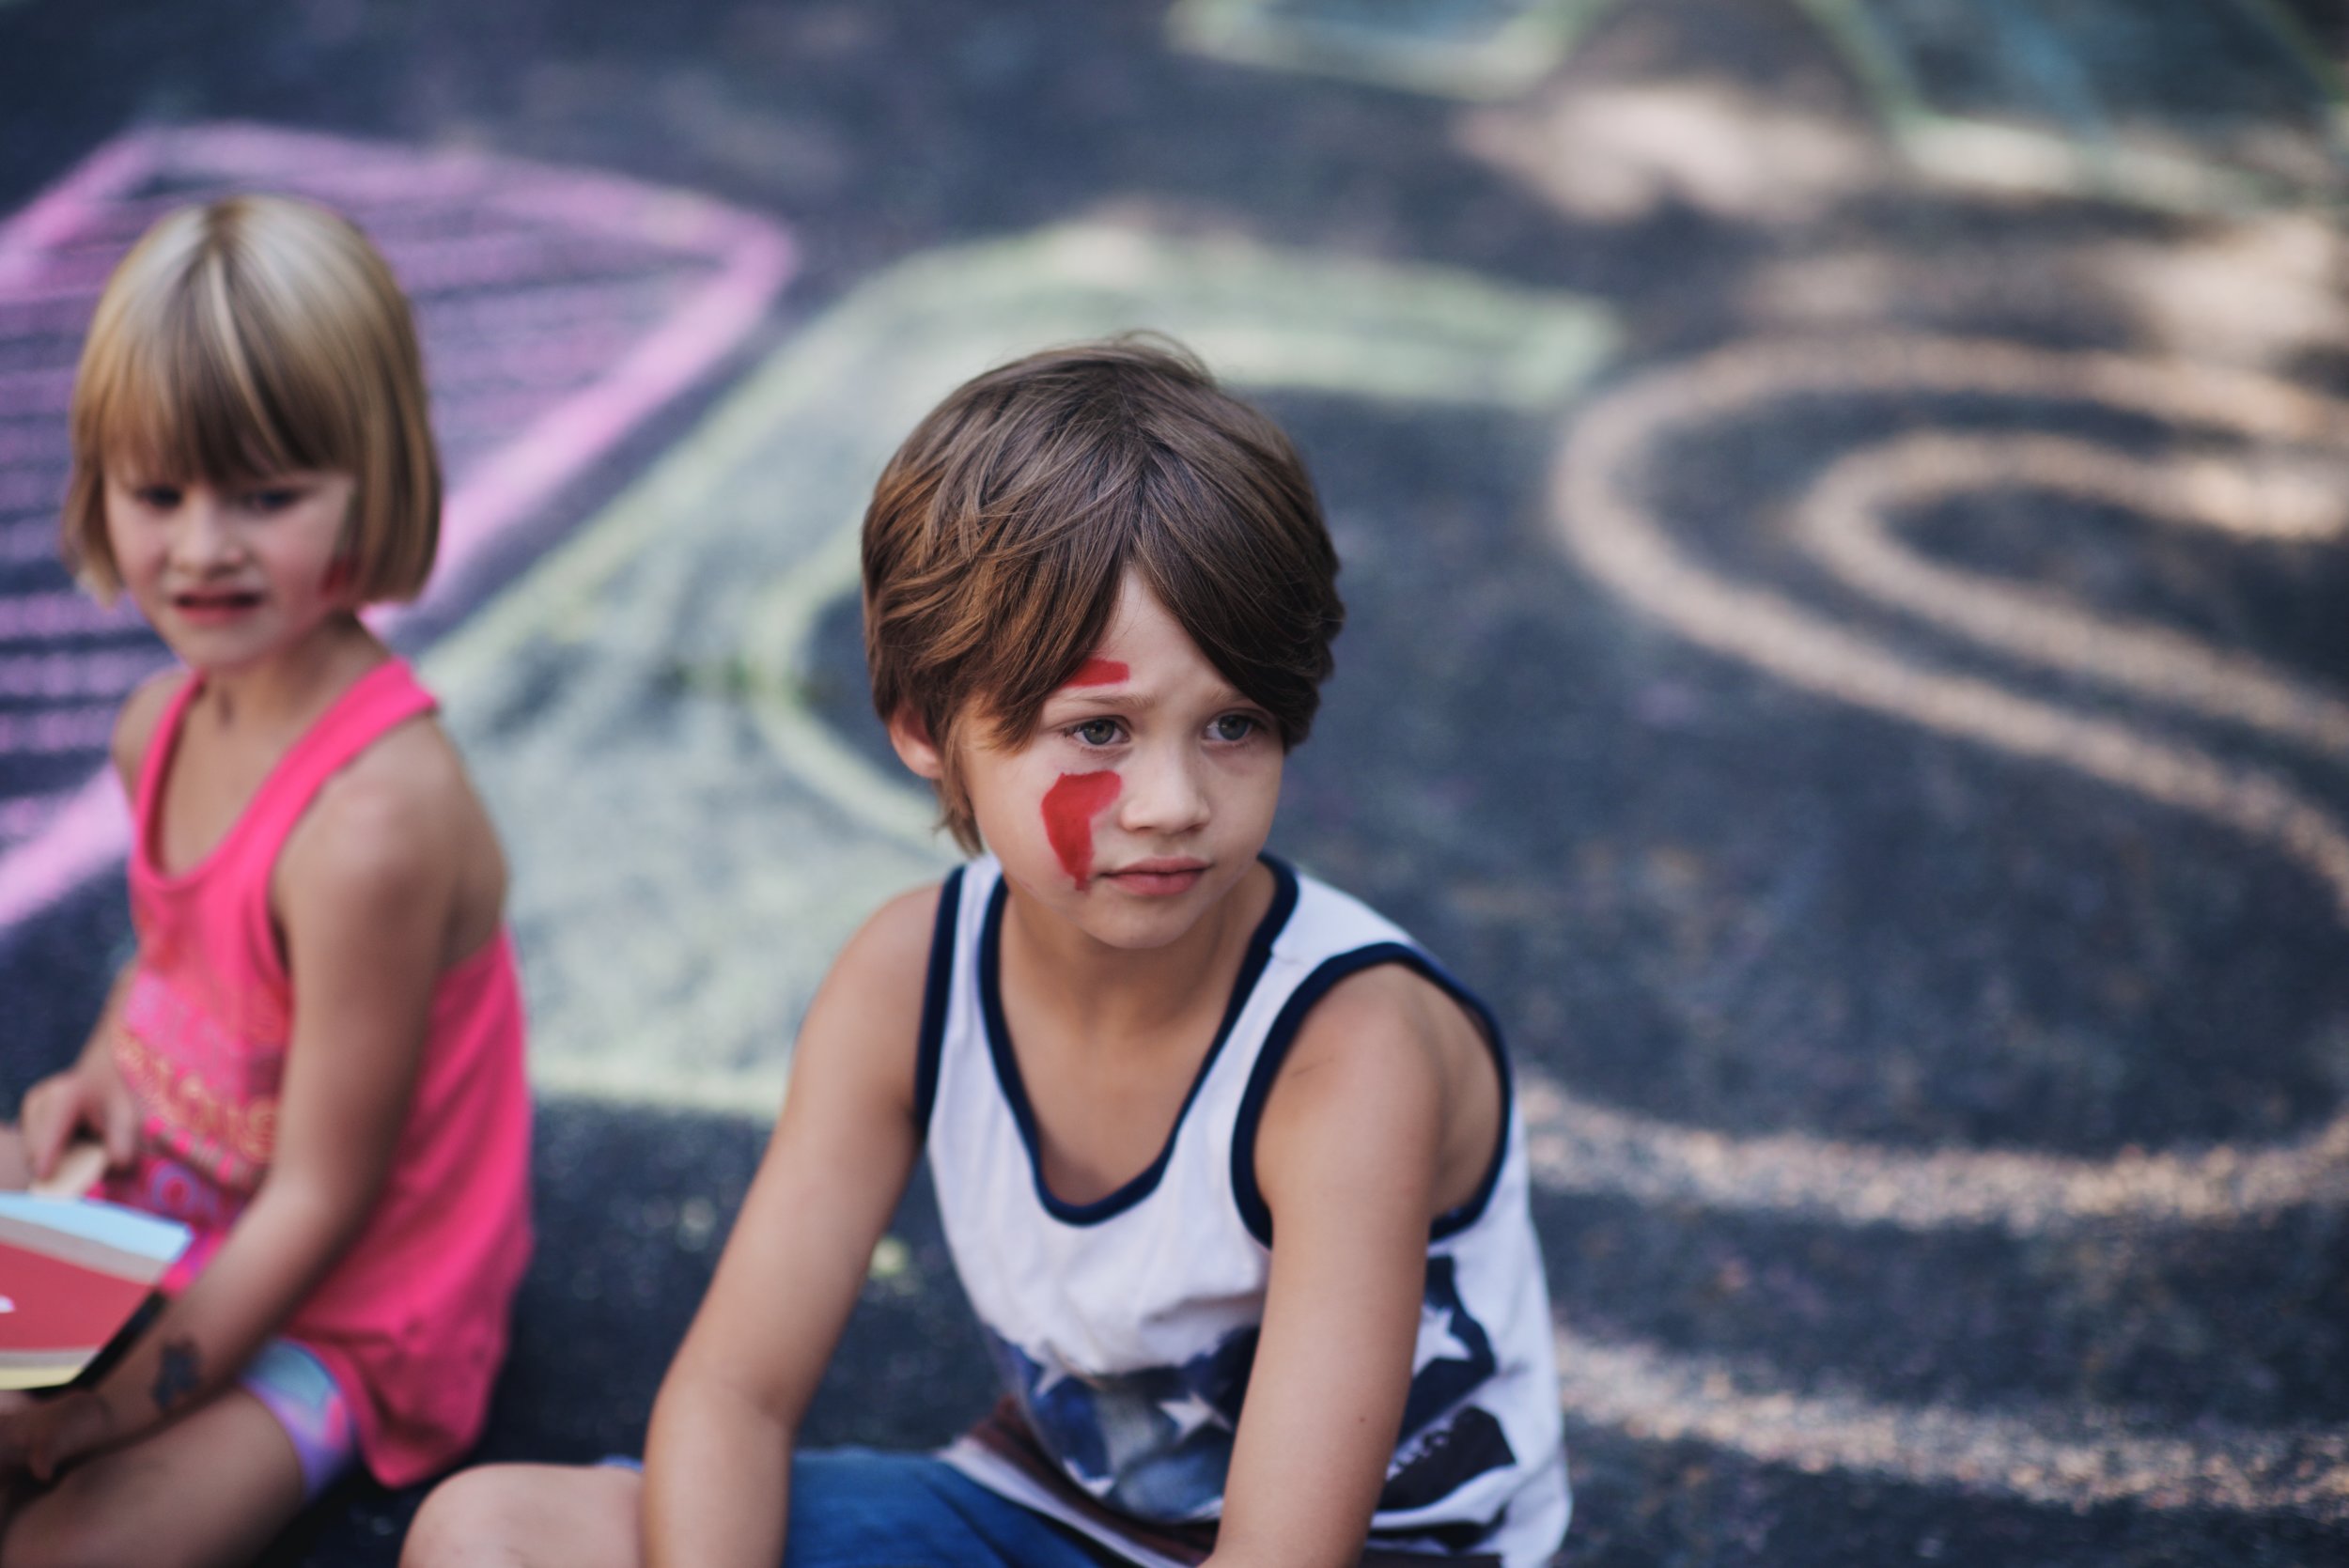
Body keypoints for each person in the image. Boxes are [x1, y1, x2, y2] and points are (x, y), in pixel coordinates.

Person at [405, 337, 1567, 1568]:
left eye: (1234, 723)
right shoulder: (908, 981)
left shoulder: (1345, 1058)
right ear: (924, 726)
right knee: (491, 1535)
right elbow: (731, 1398)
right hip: (1050, 1514)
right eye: (1100, 728)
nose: (1172, 798)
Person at [0, 194, 533, 1568]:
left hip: (347, 1306)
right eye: (158, 491)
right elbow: (171, 960)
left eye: (265, 494)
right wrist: (103, 1068)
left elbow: (322, 1198)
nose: (201, 547)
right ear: (98, 489)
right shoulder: (162, 726)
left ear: (371, 479)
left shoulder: (374, 824)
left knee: (64, 1545)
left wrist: (114, 1406)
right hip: (183, 1197)